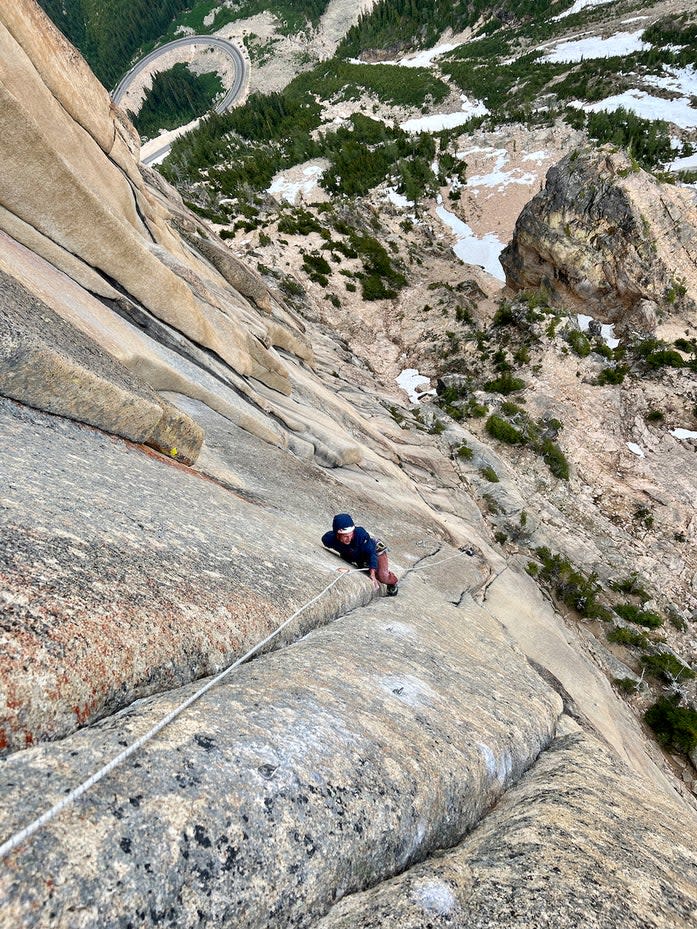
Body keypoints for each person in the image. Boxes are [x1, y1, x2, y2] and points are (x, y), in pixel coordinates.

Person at [322, 513, 399, 596]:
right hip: (357, 554)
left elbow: (371, 553)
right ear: (337, 535)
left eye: (350, 535)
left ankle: (392, 582)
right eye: (345, 536)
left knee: (382, 576)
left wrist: (372, 574)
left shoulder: (360, 535)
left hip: (375, 551)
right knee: (367, 568)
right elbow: (326, 538)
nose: (349, 539)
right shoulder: (329, 540)